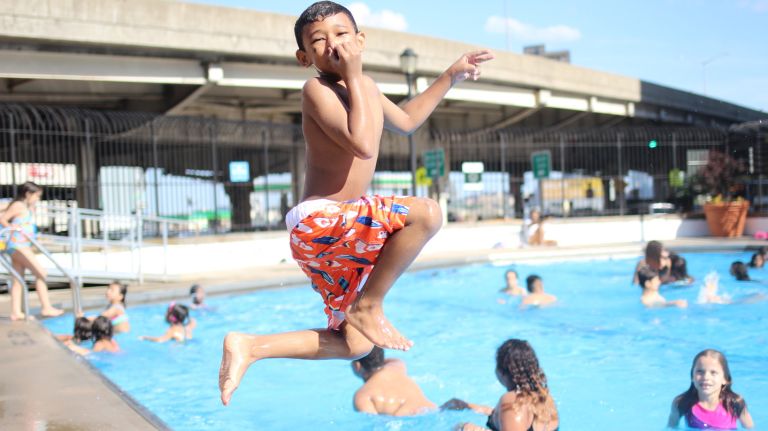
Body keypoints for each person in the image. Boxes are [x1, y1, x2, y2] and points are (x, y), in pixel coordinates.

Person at [218, 1, 494, 406]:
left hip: (339, 234)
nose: (334, 44)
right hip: (322, 222)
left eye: (342, 34)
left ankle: (250, 346)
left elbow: (406, 121)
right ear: (304, 57)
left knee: (355, 345)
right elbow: (363, 143)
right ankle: (370, 304)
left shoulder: (365, 88)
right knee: (426, 214)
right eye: (319, 40)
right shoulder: (317, 90)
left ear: (360, 40)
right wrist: (353, 74)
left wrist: (450, 75)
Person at [445, 339, 559, 431]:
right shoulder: (545, 399)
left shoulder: (511, 400)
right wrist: (468, 406)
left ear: (502, 371)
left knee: (461, 428)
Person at [0, 182, 64, 319]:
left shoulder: (25, 206)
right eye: (37, 196)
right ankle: (46, 307)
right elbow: (3, 219)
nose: (38, 199)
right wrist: (14, 228)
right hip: (18, 245)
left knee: (17, 279)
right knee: (41, 273)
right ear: (28, 194)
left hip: (20, 245)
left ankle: (15, 312)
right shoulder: (18, 206)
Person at [667, 349, 754, 429]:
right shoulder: (682, 403)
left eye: (713, 372)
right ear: (692, 376)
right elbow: (671, 428)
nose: (706, 377)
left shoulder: (735, 402)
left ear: (725, 379)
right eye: (700, 371)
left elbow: (749, 428)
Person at [351, 346, 437, 416]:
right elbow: (392, 359)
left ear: (357, 366)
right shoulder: (397, 366)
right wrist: (376, 358)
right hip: (432, 409)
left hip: (405, 418)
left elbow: (374, 424)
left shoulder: (362, 396)